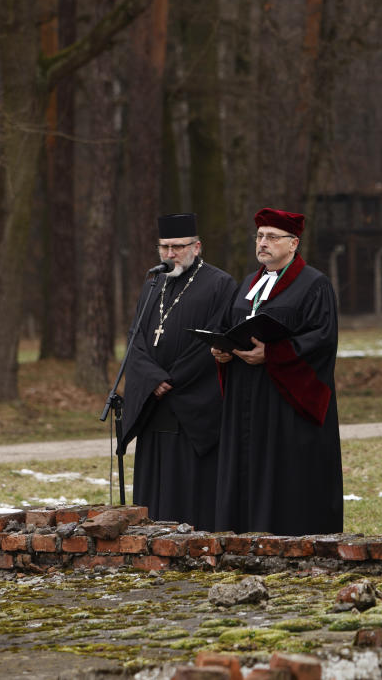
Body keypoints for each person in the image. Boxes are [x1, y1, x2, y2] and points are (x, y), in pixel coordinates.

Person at [211, 208, 343, 535]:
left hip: (286, 402)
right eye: (259, 236)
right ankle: (242, 532)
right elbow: (229, 324)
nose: (263, 243)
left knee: (282, 472)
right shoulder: (248, 283)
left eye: (272, 237)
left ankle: (284, 534)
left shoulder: (314, 284)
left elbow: (322, 340)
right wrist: (222, 351)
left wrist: (272, 354)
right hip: (246, 395)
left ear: (293, 243)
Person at [120, 213, 237, 530]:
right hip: (154, 403)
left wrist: (171, 381)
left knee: (189, 488)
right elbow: (136, 338)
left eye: (178, 247)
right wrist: (151, 379)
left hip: (191, 404)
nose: (170, 254)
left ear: (196, 247)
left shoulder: (220, 284)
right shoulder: (154, 282)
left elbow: (213, 340)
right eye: (164, 247)